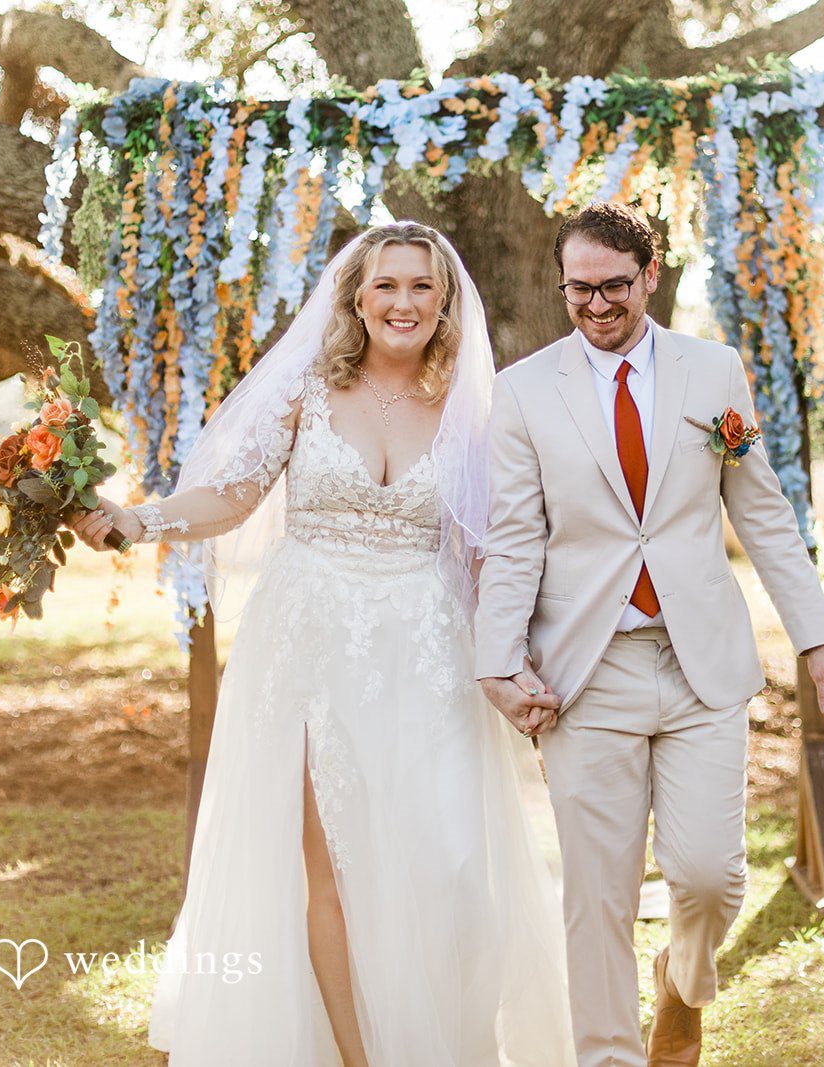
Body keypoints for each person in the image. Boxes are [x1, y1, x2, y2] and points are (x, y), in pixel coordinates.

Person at [71, 223, 576, 1065]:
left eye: (422, 287)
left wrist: (519, 665)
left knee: (450, 867)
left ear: (446, 301)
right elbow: (231, 497)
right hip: (309, 641)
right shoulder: (307, 388)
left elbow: (493, 554)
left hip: (426, 645)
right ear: (356, 296)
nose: (403, 302)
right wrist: (135, 519)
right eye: (387, 285)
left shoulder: (470, 410)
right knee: (332, 868)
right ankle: (356, 1056)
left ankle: (447, 1042)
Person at [474, 202, 824, 1067]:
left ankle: (681, 981)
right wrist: (498, 661)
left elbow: (760, 511)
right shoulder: (527, 389)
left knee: (711, 876)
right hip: (585, 672)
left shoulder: (714, 373)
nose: (599, 305)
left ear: (650, 276)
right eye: (581, 289)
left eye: (615, 286)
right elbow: (513, 536)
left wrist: (817, 639)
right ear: (562, 284)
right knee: (598, 897)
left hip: (700, 666)